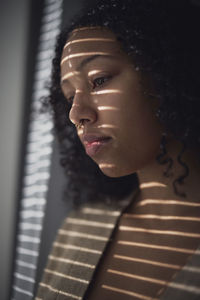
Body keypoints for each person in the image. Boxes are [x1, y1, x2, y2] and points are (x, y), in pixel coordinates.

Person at [36, 0, 200, 299]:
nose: (76, 114)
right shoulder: (79, 230)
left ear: (166, 70)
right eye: (69, 96)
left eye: (99, 80)